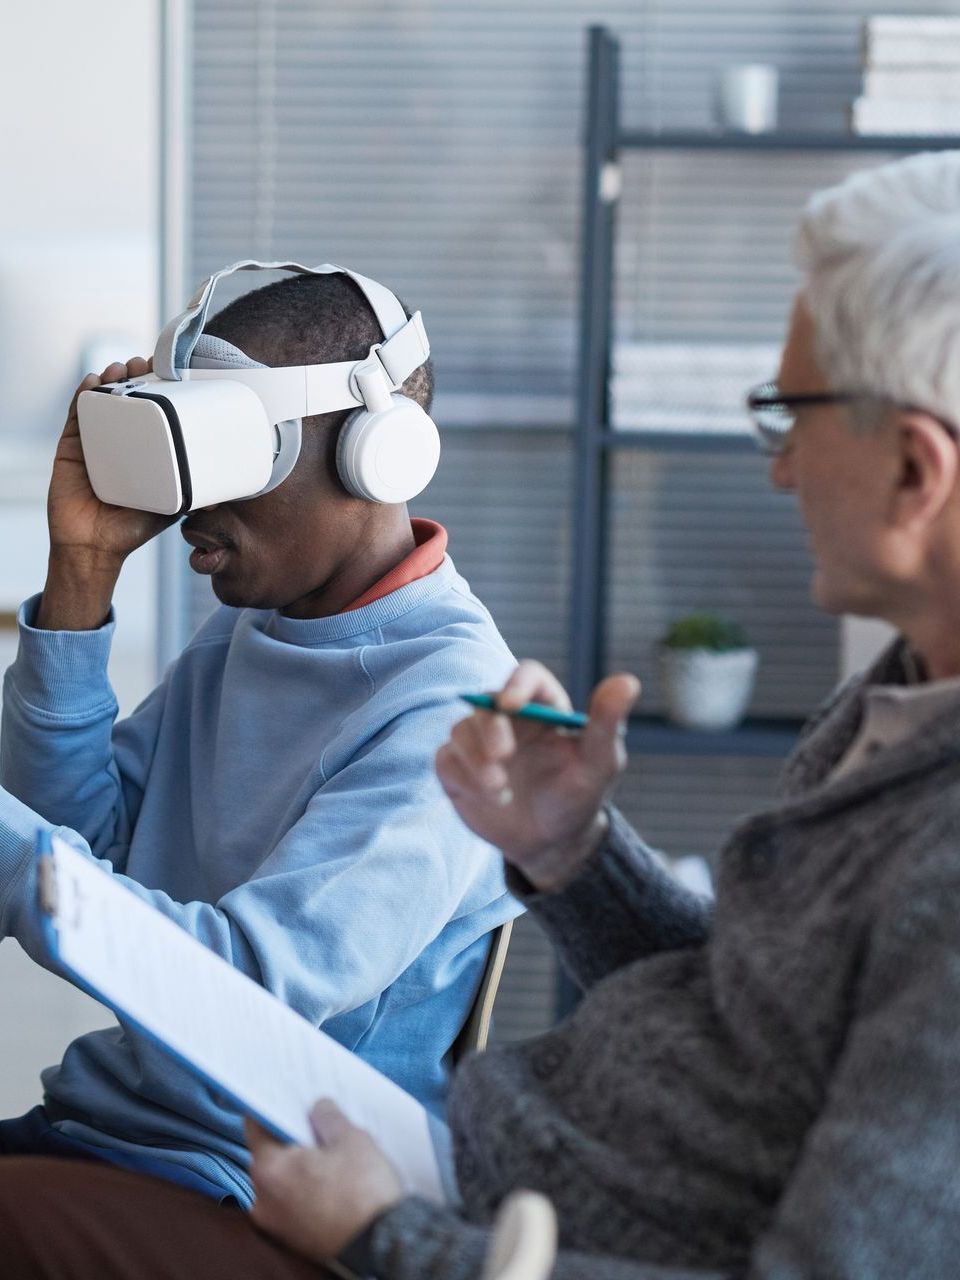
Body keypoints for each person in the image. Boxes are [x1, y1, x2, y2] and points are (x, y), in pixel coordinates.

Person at [3, 149, 960, 1278]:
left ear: (913, 468)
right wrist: (577, 858)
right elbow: (744, 1012)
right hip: (351, 1168)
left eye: (788, 414)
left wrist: (390, 1236)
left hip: (289, 1180)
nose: (776, 471)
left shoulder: (427, 691)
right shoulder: (880, 711)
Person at [0, 267, 519, 1207]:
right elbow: (83, 845)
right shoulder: (260, 627)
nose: (194, 502)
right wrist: (81, 569)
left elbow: (240, 992)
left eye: (237, 451)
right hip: (118, 1133)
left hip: (270, 1191)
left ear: (377, 454)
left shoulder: (453, 710)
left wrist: (14, 858)